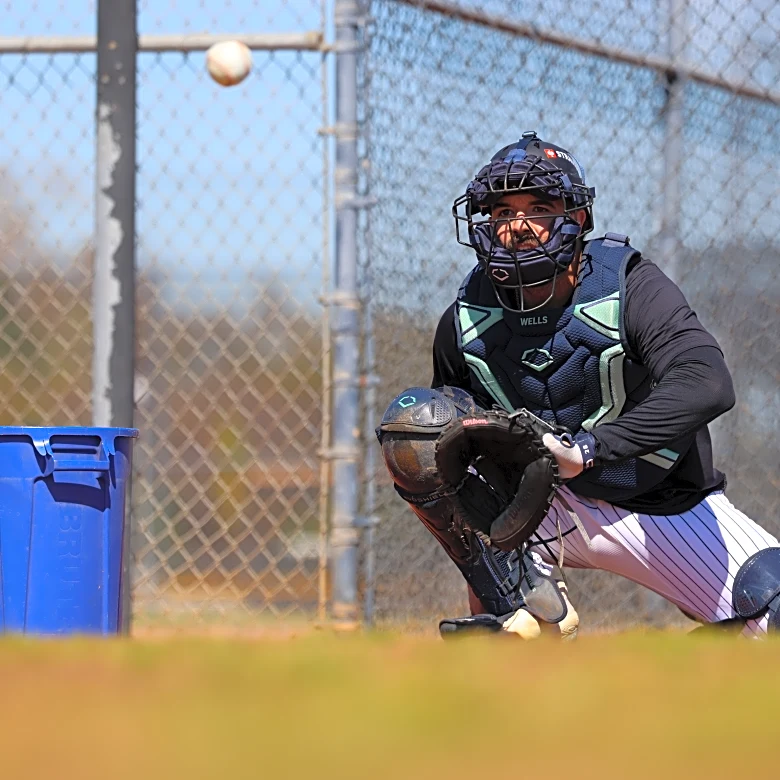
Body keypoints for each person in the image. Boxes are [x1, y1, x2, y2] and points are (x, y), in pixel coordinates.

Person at [376, 130, 780, 639]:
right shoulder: (465, 319)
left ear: (577, 219)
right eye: (502, 213)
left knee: (772, 612)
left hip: (658, 503)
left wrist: (588, 449)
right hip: (535, 511)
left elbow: (708, 381)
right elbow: (450, 455)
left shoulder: (629, 286)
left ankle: (711, 648)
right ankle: (520, 611)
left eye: (537, 208)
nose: (517, 226)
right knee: (418, 427)